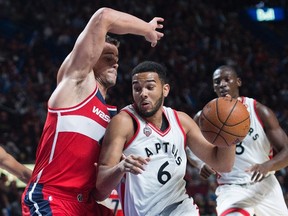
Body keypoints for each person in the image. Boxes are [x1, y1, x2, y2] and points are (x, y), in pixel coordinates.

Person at [21, 7, 164, 216]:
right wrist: (147, 29)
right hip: (52, 198)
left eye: (117, 58)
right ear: (91, 56)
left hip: (86, 204)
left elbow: (99, 192)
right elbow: (103, 16)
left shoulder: (113, 117)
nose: (115, 62)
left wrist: (121, 168)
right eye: (108, 56)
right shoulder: (76, 84)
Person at [95, 61, 236, 216]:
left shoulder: (182, 122)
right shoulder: (124, 123)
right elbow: (101, 190)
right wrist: (120, 168)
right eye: (137, 88)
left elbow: (223, 164)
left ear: (165, 90)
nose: (143, 93)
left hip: (180, 209)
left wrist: (230, 133)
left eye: (150, 87)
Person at [187, 65, 288, 215]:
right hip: (231, 187)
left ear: (238, 82)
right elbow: (190, 147)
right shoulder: (205, 117)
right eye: (217, 81)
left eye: (227, 79)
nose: (222, 84)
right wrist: (201, 163)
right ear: (213, 87)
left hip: (266, 184)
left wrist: (268, 165)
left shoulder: (259, 111)